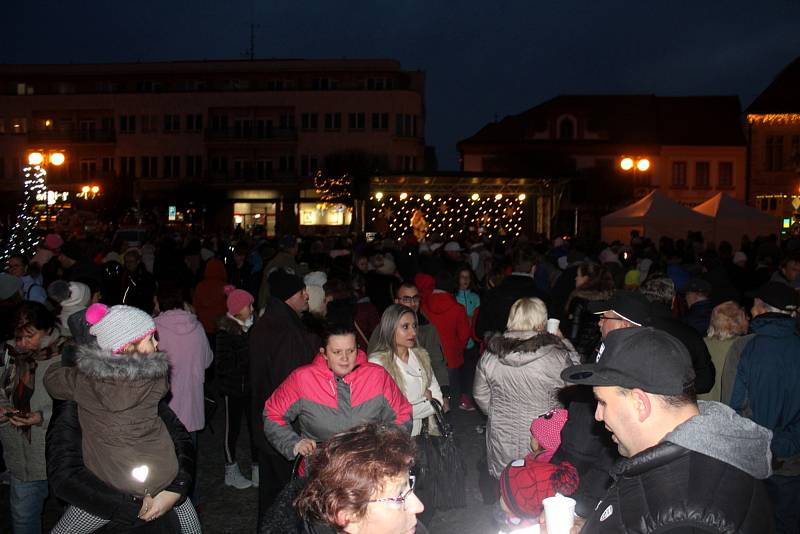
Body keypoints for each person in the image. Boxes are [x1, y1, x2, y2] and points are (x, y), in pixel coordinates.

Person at [557, 326, 774, 533]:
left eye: (602, 403)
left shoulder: (687, 518)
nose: (598, 415)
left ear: (640, 403)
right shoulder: (678, 461)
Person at [43, 303, 201, 533]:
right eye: (150, 339)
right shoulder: (155, 378)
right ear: (128, 348)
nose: (157, 343)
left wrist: (71, 362)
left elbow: (52, 379)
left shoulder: (84, 383)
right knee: (190, 526)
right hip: (165, 478)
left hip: (114, 487)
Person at [264, 325, 412, 461]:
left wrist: (387, 444)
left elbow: (402, 414)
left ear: (358, 348)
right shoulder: (302, 379)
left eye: (351, 351)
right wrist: (294, 443)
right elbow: (272, 413)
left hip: (370, 469)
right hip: (320, 472)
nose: (345, 359)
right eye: (337, 352)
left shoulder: (377, 376)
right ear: (324, 353)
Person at [473, 297, 580, 481]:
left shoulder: (490, 355)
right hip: (542, 436)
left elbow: (480, 394)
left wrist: (498, 412)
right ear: (542, 321)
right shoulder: (556, 356)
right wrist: (565, 344)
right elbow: (575, 384)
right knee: (540, 484)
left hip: (502, 432)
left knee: (508, 483)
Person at [260, 423, 428, 534]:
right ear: (348, 517)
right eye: (399, 496)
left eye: (409, 486)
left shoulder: (409, 528)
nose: (419, 506)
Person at [730, 282, 800, 533]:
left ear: (762, 309)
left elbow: (734, 407)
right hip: (792, 461)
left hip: (752, 461)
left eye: (755, 304)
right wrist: (785, 445)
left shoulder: (744, 347)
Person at [250, 268, 320, 521]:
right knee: (286, 495)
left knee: (272, 493)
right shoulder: (288, 332)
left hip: (266, 421)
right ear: (291, 295)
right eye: (303, 292)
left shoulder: (268, 322)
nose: (307, 297)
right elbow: (292, 384)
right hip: (284, 426)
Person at [0, 301, 67, 534]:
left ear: (47, 329)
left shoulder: (64, 355)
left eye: (30, 335)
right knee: (23, 518)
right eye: (18, 336)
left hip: (60, 453)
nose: (22, 343)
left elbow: (76, 404)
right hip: (22, 455)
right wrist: (3, 410)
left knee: (73, 519)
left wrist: (41, 416)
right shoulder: (7, 354)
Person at [369, 304, 444, 437]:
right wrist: (425, 400)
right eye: (405, 327)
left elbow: (438, 400)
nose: (413, 332)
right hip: (394, 439)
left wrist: (409, 406)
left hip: (423, 433)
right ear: (390, 328)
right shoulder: (378, 364)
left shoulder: (421, 357)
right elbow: (388, 413)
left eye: (414, 326)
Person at [497, 409, 579, 530]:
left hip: (529, 514)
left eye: (534, 436)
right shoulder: (562, 464)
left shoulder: (542, 465)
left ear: (543, 443)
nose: (531, 439)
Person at [367, 281, 450, 394]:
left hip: (424, 393)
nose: (412, 303)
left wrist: (444, 391)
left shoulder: (428, 327)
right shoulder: (384, 329)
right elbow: (373, 363)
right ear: (396, 301)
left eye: (415, 298)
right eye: (406, 299)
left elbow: (436, 361)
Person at [215, 286, 258, 490]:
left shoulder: (254, 327)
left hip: (251, 388)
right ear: (238, 309)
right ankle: (230, 470)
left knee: (256, 428)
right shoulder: (226, 332)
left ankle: (257, 469)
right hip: (233, 390)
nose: (252, 308)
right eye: (249, 305)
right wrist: (245, 353)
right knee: (231, 431)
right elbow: (222, 365)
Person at [420, 270, 471, 410]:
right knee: (450, 392)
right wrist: (457, 348)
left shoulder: (423, 306)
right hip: (451, 357)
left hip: (428, 355)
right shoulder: (458, 309)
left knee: (431, 393)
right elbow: (464, 334)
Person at [476, 246, 547, 339]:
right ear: (534, 268)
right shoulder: (543, 298)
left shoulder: (492, 294)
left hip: (499, 351)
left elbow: (480, 331)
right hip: (533, 351)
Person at [562, 263, 614, 362]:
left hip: (578, 355)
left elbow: (573, 334)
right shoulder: (609, 299)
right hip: (600, 353)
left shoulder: (579, 300)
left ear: (587, 279)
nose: (575, 278)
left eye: (578, 275)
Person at [701, 300, 749, 402]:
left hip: (703, 409)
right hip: (731, 411)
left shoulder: (701, 344)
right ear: (736, 321)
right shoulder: (744, 346)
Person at [455, 264, 480, 410]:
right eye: (462, 277)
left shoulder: (475, 297)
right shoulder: (453, 297)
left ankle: (466, 397)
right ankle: (454, 396)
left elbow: (478, 318)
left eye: (468, 278)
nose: (465, 280)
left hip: (471, 342)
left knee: (469, 370)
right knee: (456, 371)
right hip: (456, 340)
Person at [120, 248, 157, 314]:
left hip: (143, 310)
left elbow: (150, 294)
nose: (128, 264)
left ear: (138, 261)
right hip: (128, 310)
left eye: (131, 261)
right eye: (126, 262)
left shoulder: (146, 277)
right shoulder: (124, 275)